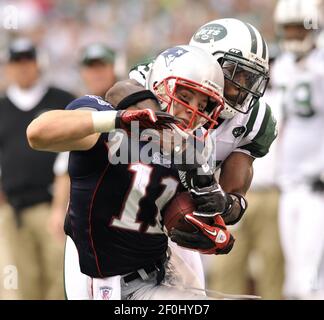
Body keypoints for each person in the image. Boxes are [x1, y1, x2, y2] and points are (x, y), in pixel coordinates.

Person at [27, 45, 235, 300]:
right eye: (185, 96)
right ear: (160, 87)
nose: (192, 111)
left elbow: (179, 216)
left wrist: (213, 231)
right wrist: (117, 119)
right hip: (109, 280)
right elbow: (37, 133)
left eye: (203, 105)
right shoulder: (111, 119)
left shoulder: (191, 149)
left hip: (158, 270)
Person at [129, 18, 277, 296]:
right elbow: (119, 95)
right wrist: (174, 138)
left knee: (193, 295)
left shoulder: (253, 118)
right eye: (237, 73)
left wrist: (224, 204)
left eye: (251, 78)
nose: (243, 88)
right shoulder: (166, 71)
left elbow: (235, 199)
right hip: (125, 209)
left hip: (169, 217)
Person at [206, 44, 284, 300]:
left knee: (272, 265)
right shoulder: (217, 101)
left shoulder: (267, 108)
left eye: (250, 74)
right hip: (222, 188)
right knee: (227, 267)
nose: (243, 81)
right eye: (239, 72)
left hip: (271, 190)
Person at [0, 37, 75, 299]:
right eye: (16, 61)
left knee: (58, 278)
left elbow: (72, 151)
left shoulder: (61, 99)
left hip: (51, 206)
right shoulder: (1, 106)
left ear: (38, 64)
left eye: (27, 60)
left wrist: (61, 204)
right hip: (13, 209)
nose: (22, 67)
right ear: (8, 66)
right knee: (24, 282)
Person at [272, 0, 324, 299]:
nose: (293, 34)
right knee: (294, 273)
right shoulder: (282, 68)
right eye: (288, 28)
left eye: (298, 28)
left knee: (309, 275)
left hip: (316, 185)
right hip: (288, 182)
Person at [49, 43, 118, 242]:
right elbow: (64, 166)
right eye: (90, 67)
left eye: (101, 66)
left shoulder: (129, 103)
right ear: (82, 72)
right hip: (92, 210)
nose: (96, 73)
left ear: (113, 68)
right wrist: (57, 209)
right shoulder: (80, 107)